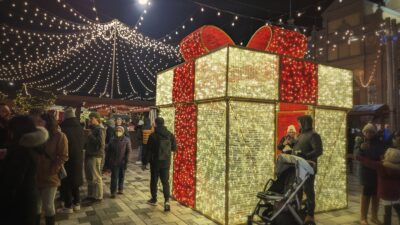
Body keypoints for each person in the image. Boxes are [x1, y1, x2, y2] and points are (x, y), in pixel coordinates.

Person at [0, 116, 48, 225]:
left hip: (18, 202)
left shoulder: (22, 151)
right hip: (27, 198)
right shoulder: (30, 146)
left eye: (10, 130)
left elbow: (12, 181)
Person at [36, 113, 69, 225]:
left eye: (40, 121)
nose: (38, 123)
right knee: (36, 205)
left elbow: (64, 155)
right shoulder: (36, 134)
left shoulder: (59, 136)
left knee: (48, 205)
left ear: (48, 122)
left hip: (50, 176)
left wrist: (53, 170)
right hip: (36, 175)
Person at [356, 148, 400, 225]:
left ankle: (386, 223)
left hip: (385, 194)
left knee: (387, 212)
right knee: (398, 209)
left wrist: (359, 157)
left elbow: (369, 163)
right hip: (396, 194)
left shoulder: (381, 165)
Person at [292, 115, 323, 223]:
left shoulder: (314, 135)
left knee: (308, 191)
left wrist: (305, 156)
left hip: (308, 167)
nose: (298, 124)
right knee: (298, 190)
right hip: (299, 167)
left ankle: (310, 214)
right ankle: (299, 211)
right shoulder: (301, 135)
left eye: (299, 122)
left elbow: (318, 151)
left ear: (304, 122)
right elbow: (298, 147)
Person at [143, 117, 177, 212]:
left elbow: (148, 151)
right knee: (165, 181)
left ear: (156, 124)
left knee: (154, 180)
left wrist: (145, 162)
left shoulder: (152, 136)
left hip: (155, 163)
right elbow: (174, 148)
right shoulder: (170, 135)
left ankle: (154, 199)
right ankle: (166, 201)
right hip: (166, 162)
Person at [354, 123, 385, 225]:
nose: (369, 133)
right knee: (366, 194)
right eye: (367, 131)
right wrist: (361, 149)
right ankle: (363, 217)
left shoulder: (378, 142)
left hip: (376, 170)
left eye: (371, 132)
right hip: (365, 171)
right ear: (364, 132)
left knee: (376, 194)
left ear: (374, 133)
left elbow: (381, 154)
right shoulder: (360, 141)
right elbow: (356, 155)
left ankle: (374, 216)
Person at [58, 108, 85, 213]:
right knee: (75, 180)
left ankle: (68, 205)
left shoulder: (63, 127)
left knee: (66, 181)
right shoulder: (80, 127)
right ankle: (77, 203)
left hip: (67, 158)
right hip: (78, 157)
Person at [103, 126, 131, 198]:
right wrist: (107, 163)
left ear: (123, 131)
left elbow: (128, 151)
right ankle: (113, 192)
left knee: (121, 176)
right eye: (117, 130)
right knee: (114, 177)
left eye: (120, 130)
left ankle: (120, 189)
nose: (118, 132)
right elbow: (108, 152)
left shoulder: (126, 140)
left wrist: (126, 160)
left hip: (122, 161)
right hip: (114, 161)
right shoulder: (112, 140)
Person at [84, 112, 106, 203]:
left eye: (91, 118)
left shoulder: (100, 129)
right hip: (90, 155)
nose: (90, 120)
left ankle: (98, 196)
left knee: (96, 177)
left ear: (97, 119)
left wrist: (90, 135)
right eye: (89, 118)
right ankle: (91, 195)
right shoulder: (93, 128)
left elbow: (100, 143)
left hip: (96, 156)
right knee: (89, 177)